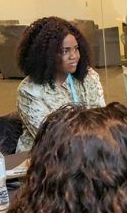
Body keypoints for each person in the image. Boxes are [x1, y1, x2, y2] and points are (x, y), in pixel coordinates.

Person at [15, 16, 105, 152]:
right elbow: (51, 139)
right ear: (47, 55)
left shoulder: (88, 77)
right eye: (65, 51)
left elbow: (101, 119)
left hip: (88, 152)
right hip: (46, 160)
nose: (73, 56)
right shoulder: (29, 91)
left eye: (76, 49)